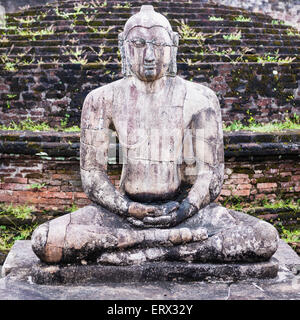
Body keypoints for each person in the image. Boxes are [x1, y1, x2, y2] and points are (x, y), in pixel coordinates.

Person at [32, 5, 278, 265]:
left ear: (174, 46)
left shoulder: (200, 98)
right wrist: (126, 208)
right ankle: (173, 247)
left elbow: (211, 174)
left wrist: (185, 209)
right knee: (44, 240)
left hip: (185, 213)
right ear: (123, 47)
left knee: (263, 238)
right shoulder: (101, 99)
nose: (149, 55)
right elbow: (93, 175)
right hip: (121, 215)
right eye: (138, 44)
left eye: (159, 45)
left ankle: (140, 250)